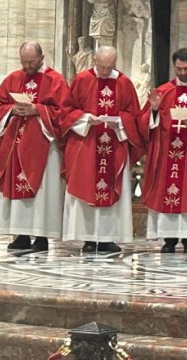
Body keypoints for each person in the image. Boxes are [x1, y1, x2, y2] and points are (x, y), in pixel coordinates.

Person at [61, 46, 142, 253]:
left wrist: (120, 121)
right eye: (101, 66)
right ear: (94, 61)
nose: (104, 71)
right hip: (87, 145)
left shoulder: (124, 83)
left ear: (115, 63)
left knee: (111, 189)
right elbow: (67, 110)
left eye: (109, 67)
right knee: (86, 186)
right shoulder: (82, 80)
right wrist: (87, 118)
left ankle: (107, 238)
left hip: (114, 146)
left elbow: (134, 115)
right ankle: (88, 238)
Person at [0, 42, 69, 252]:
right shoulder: (14, 78)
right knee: (18, 189)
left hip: (44, 146)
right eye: (23, 62)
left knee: (43, 193)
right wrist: (11, 109)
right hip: (16, 145)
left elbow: (65, 112)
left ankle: (42, 238)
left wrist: (37, 109)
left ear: (41, 58)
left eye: (31, 62)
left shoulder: (55, 80)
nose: (27, 66)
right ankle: (21, 235)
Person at [140, 48, 187, 254]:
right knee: (168, 191)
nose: (182, 73)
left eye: (186, 69)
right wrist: (154, 110)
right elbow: (143, 122)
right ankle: (169, 239)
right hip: (167, 153)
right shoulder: (163, 91)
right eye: (179, 69)